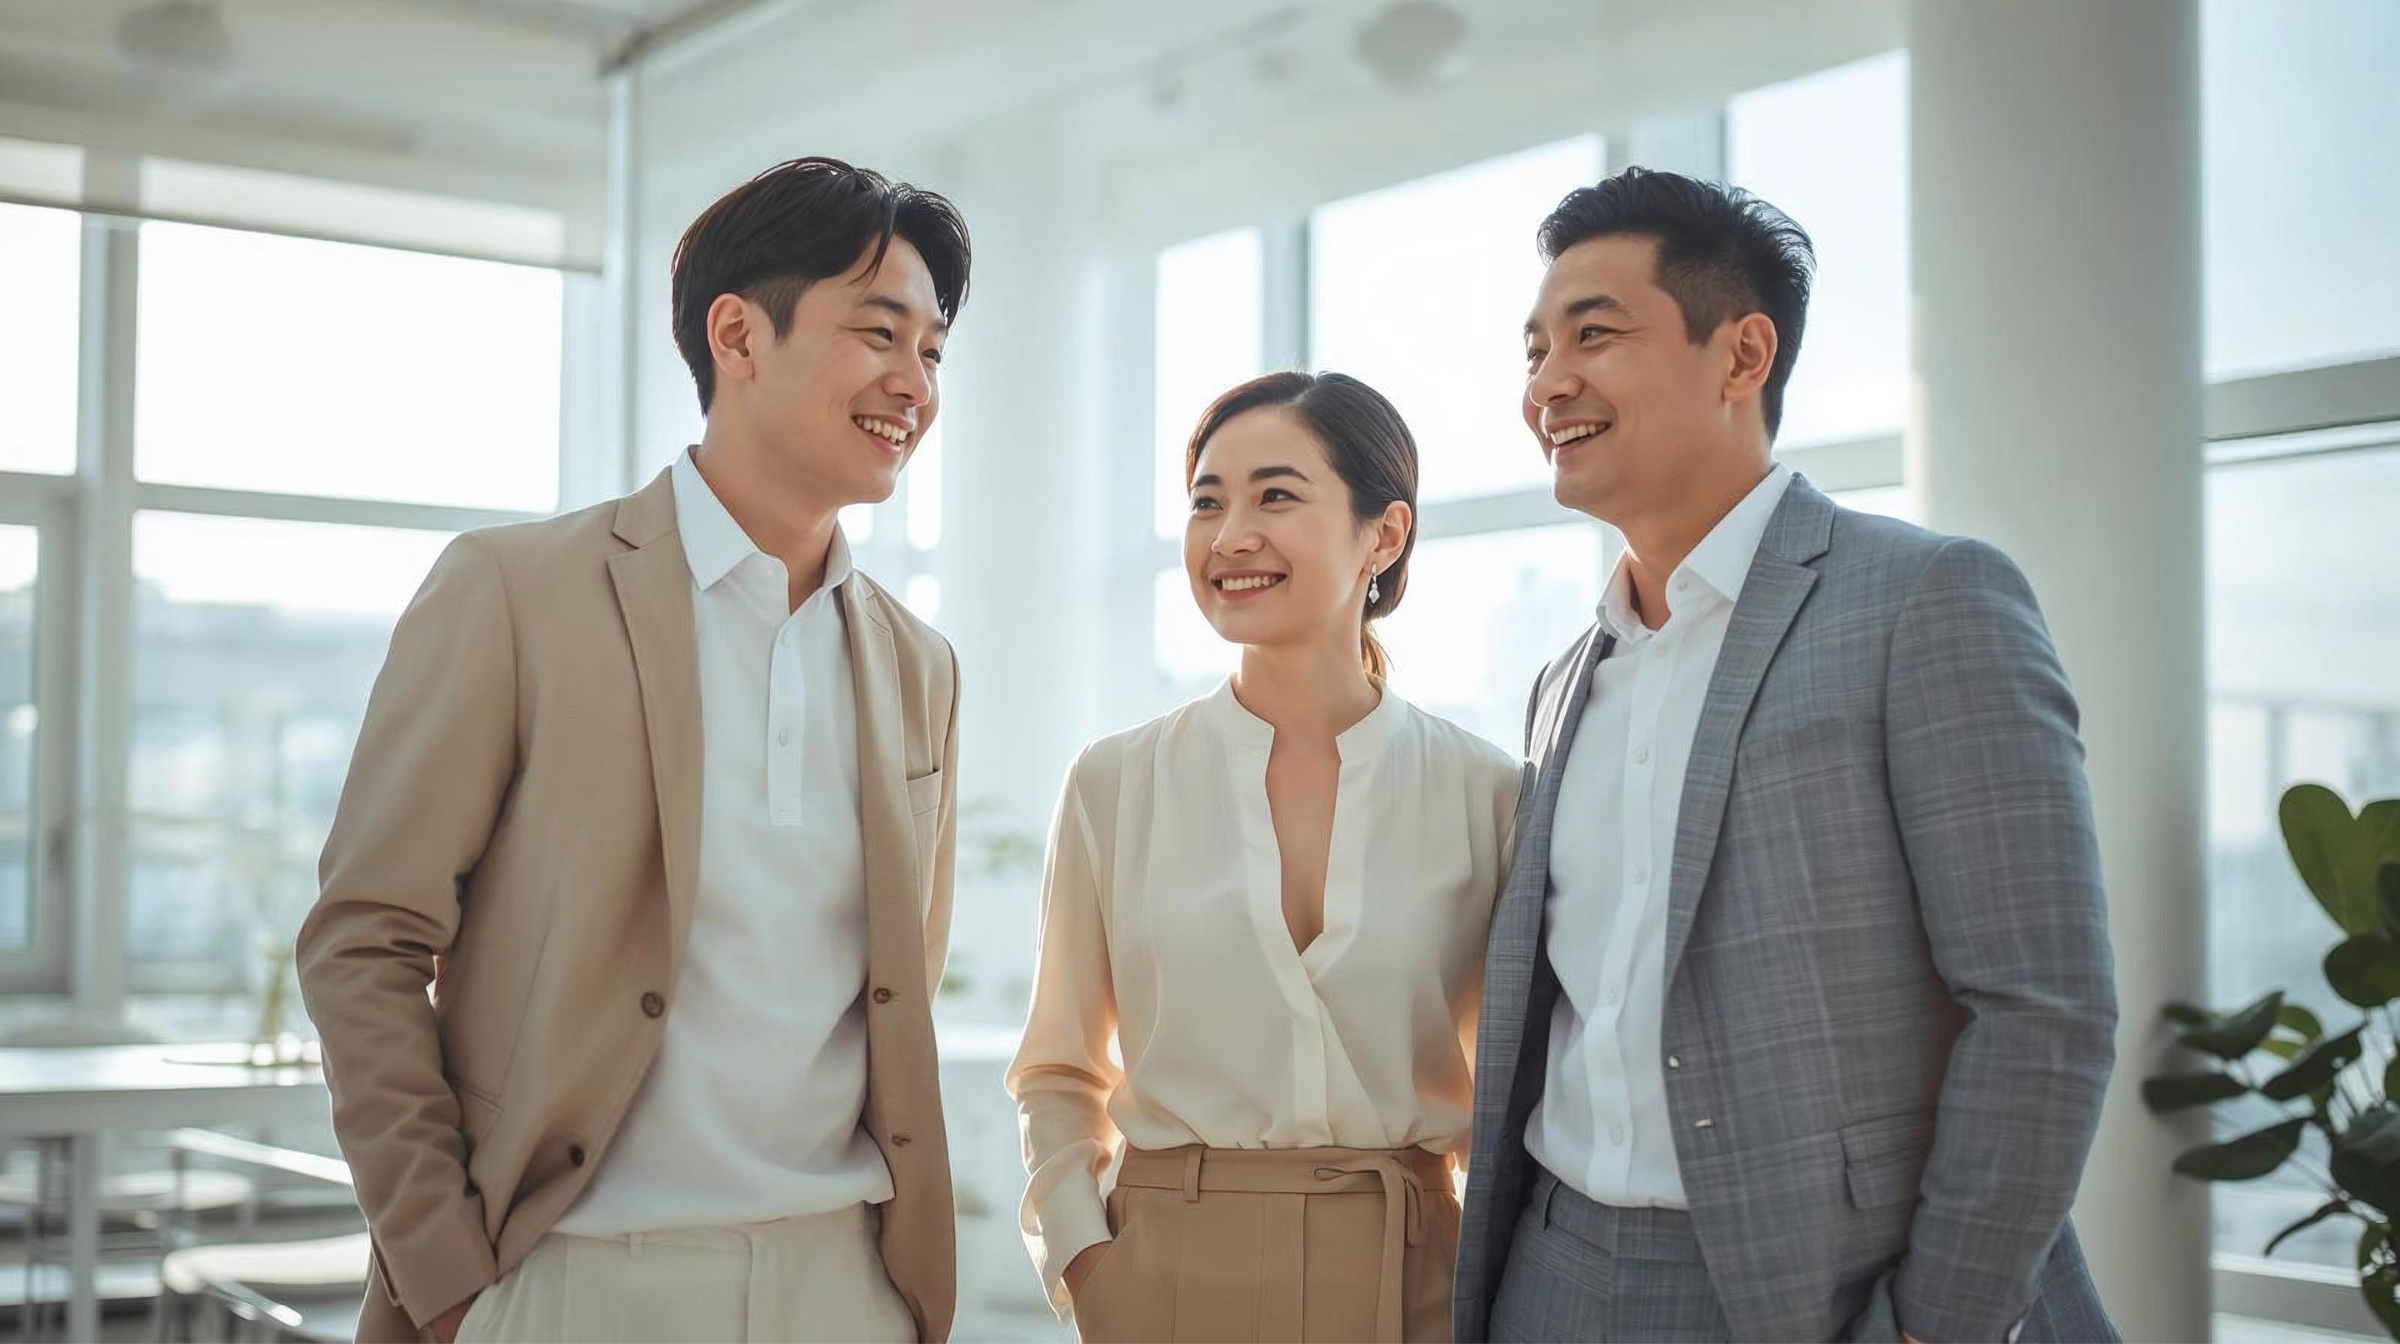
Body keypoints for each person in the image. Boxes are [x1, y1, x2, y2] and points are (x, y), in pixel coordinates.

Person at [296, 157, 969, 1344]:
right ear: (737, 335)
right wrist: (443, 1269)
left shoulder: (919, 665)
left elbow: (900, 978)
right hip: (573, 1274)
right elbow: (367, 941)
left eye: (933, 350)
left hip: (843, 1281)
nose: (912, 382)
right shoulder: (516, 593)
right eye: (880, 333)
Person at [1453, 167, 2119, 1343]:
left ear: (1742, 355)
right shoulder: (1566, 680)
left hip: (1810, 1286)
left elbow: (2042, 1009)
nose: (1547, 384)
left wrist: (1932, 1325)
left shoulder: (1927, 600)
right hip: (1549, 1270)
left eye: (1593, 336)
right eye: (1533, 350)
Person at [1007, 371, 1526, 1342]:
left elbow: (1514, 1090)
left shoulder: (1488, 793)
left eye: (1275, 495)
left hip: (1411, 1277)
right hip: (1162, 1275)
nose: (1230, 533)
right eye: (1208, 501)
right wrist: (1086, 1260)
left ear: (1385, 534)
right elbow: (1058, 1067)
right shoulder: (1114, 783)